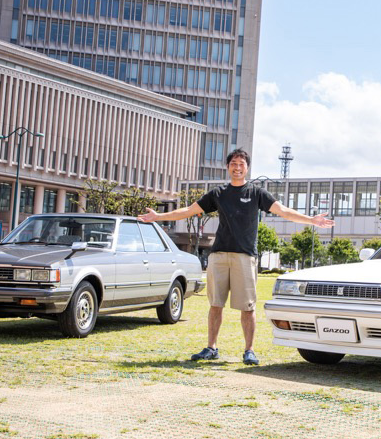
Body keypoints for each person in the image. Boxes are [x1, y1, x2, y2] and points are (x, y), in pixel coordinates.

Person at [138, 148, 334, 365]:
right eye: (233, 163)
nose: (237, 167)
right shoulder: (218, 193)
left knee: (247, 307)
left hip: (245, 257)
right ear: (228, 166)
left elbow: (283, 211)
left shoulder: (257, 193)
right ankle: (211, 347)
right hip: (219, 255)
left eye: (241, 164)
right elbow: (188, 211)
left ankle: (249, 350)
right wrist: (159, 216)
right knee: (215, 305)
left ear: (247, 168)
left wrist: (311, 220)